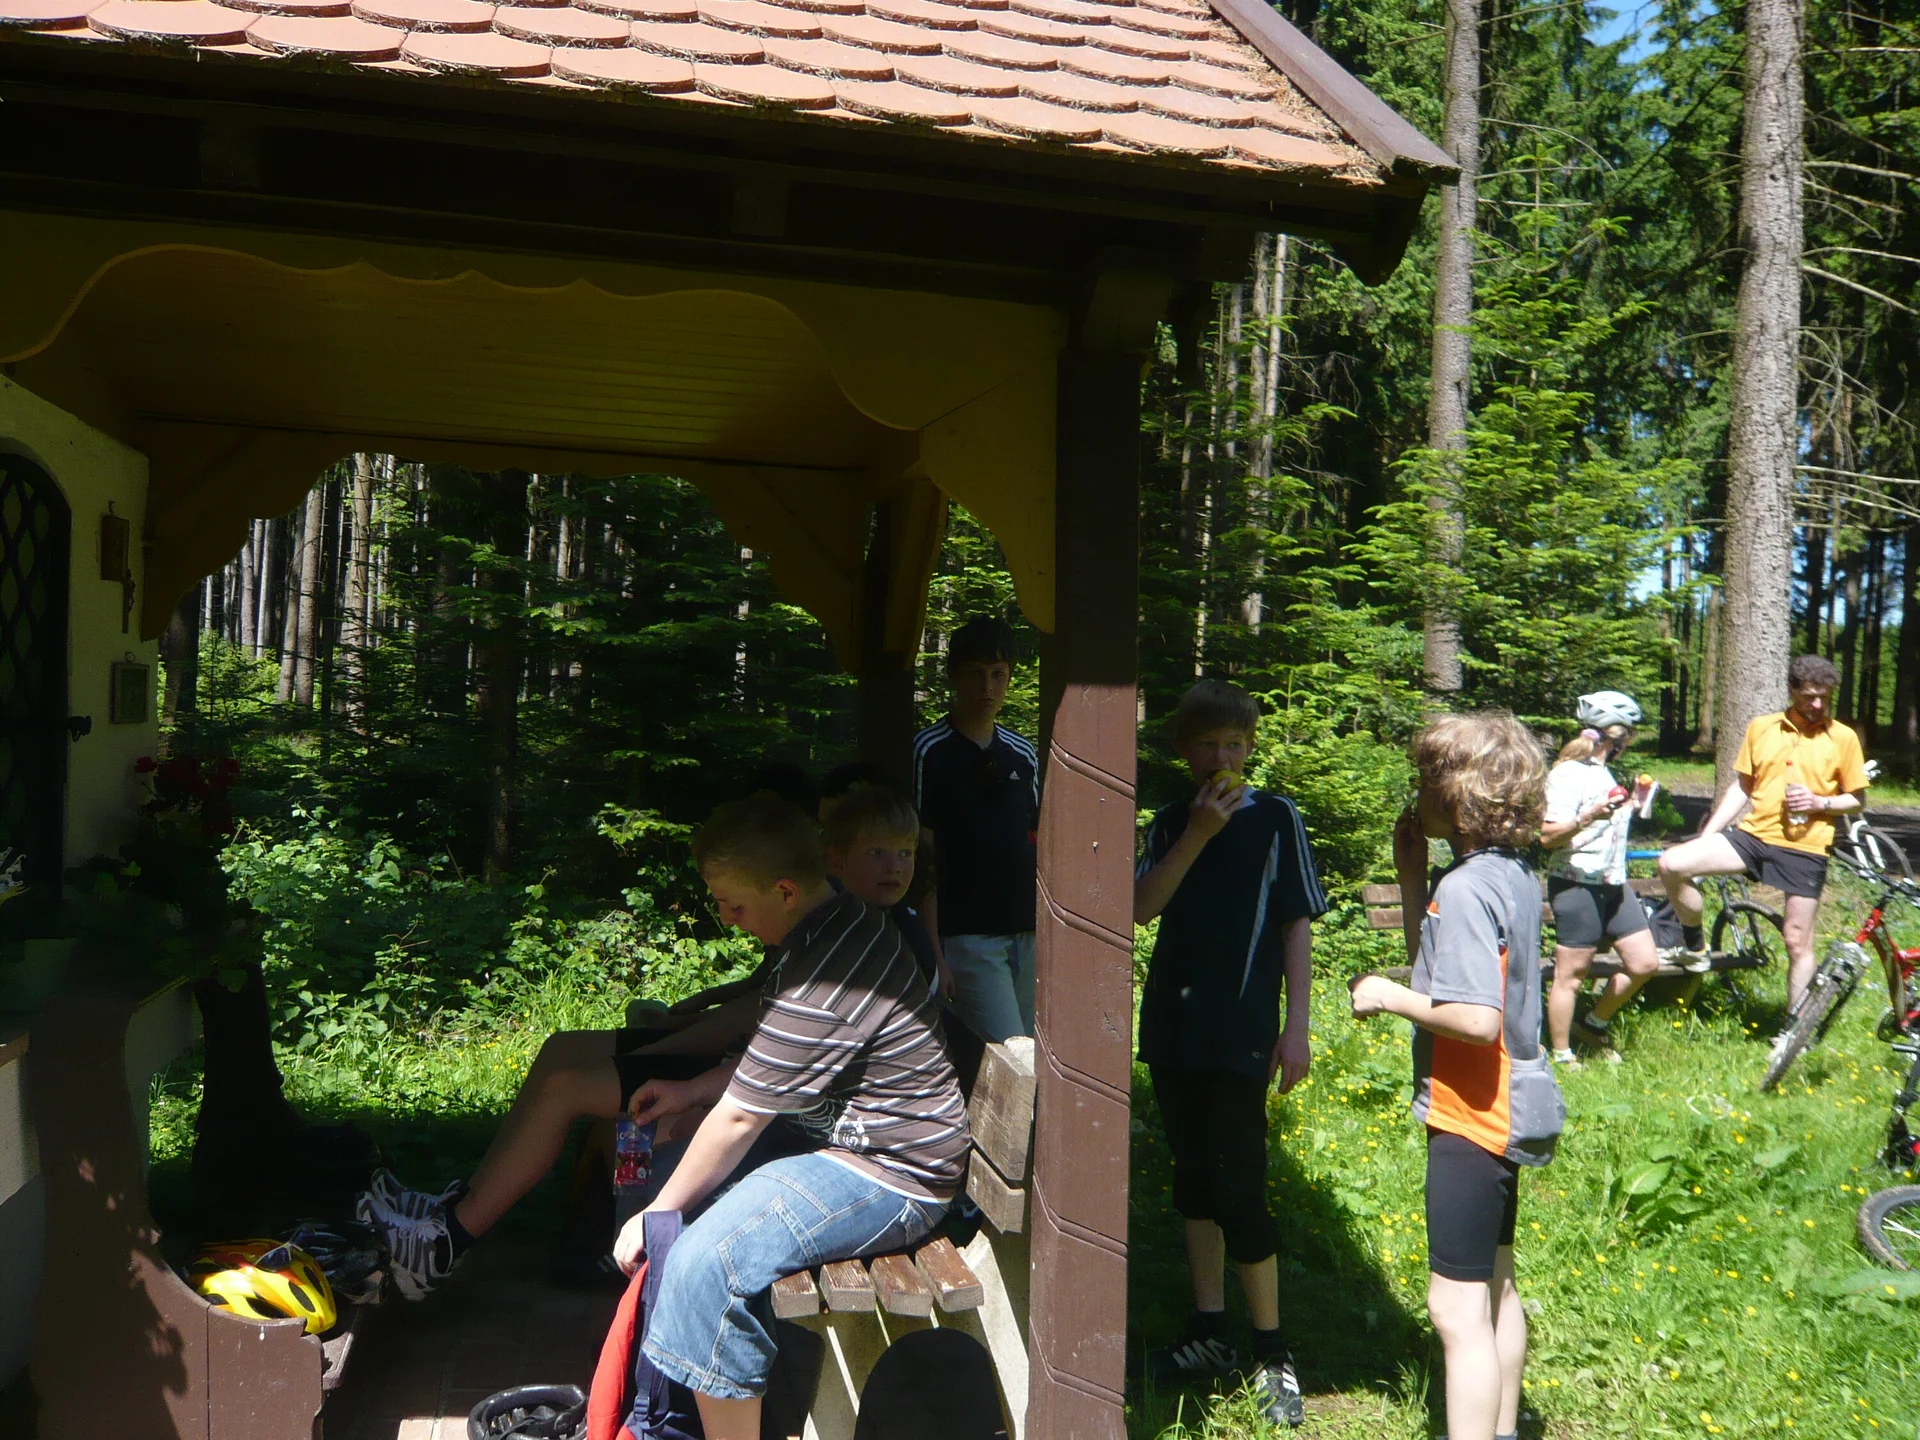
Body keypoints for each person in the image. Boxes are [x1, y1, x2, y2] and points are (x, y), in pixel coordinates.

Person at [611, 796, 968, 1440]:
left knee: (702, 1263)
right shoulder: (825, 931)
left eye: (733, 904)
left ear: (782, 890)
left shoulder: (831, 965)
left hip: (891, 1173)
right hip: (852, 1148)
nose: (725, 917)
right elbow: (770, 1064)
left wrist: (655, 1214)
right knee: (674, 1164)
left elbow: (743, 1118)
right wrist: (691, 1092)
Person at [1349, 712, 1561, 1440]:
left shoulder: (1469, 887)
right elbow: (1450, 972)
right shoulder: (1507, 875)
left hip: (1472, 1114)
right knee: (1496, 1286)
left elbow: (1472, 1017)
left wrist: (1386, 995)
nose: (1416, 793)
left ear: (1458, 794)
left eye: (1424, 781)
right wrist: (1413, 880)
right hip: (1510, 1109)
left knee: (1454, 1308)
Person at [1133, 679, 1327, 1428]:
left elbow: (1297, 924)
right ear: (1185, 751)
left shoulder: (1278, 818)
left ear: (1251, 749)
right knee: (1192, 1180)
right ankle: (1209, 1331)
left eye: (1236, 746)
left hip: (1246, 1027)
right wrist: (1195, 837)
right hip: (1176, 1027)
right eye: (1209, 744)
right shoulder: (1171, 821)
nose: (1223, 758)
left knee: (1241, 1185)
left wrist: (1298, 1025)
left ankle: (1272, 1352)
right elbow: (1140, 907)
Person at [1657, 654, 1870, 1008]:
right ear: (1791, 690)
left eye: (1824, 697)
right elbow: (1742, 787)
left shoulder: (1843, 737)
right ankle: (1694, 944)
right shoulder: (1762, 727)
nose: (1817, 704)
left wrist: (1820, 803)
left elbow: (1858, 799)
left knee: (1797, 940)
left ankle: (1793, 1032)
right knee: (1673, 864)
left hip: (1806, 847)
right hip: (1753, 836)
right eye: (1809, 696)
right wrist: (1710, 833)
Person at [911, 616, 1040, 1042]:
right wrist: (934, 954)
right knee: (1010, 1053)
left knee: (1036, 1056)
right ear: (953, 677)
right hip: (968, 940)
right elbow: (921, 854)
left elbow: (1043, 847)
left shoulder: (1023, 755)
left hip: (1029, 936)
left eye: (998, 675)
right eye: (975, 674)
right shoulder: (929, 751)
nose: (987, 688)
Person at [1540, 691, 1661, 1065]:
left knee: (1644, 962)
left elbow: (1605, 827)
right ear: (1617, 737)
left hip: (1612, 881)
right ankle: (1561, 1053)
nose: (1630, 744)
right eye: (1629, 736)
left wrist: (1633, 806)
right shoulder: (1566, 774)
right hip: (1575, 882)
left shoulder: (1602, 772)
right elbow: (1547, 836)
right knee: (1571, 975)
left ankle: (1591, 1026)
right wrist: (1591, 814)